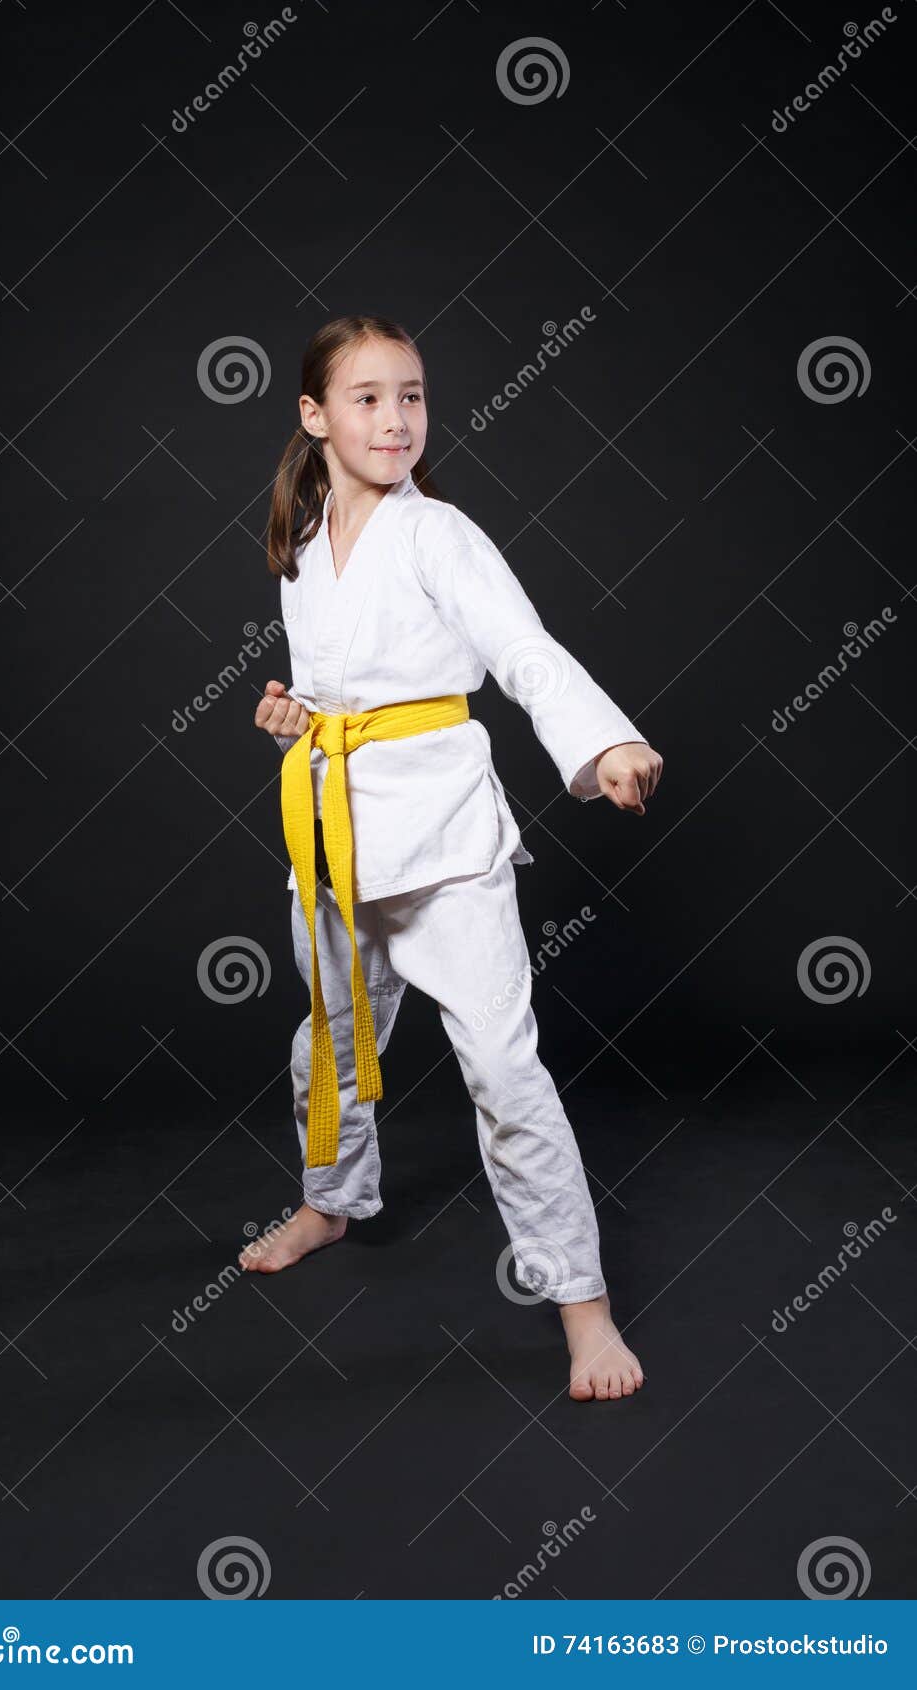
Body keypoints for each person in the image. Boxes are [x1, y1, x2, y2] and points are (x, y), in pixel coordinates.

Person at [240, 314, 662, 1404]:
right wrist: (293, 714)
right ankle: (331, 1201)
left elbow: (520, 649)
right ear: (314, 416)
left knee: (502, 1069)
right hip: (330, 828)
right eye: (368, 397)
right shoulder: (298, 535)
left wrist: (603, 738)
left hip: (440, 845)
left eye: (411, 395)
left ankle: (580, 1305)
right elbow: (337, 684)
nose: (394, 419)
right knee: (329, 1036)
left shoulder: (441, 535)